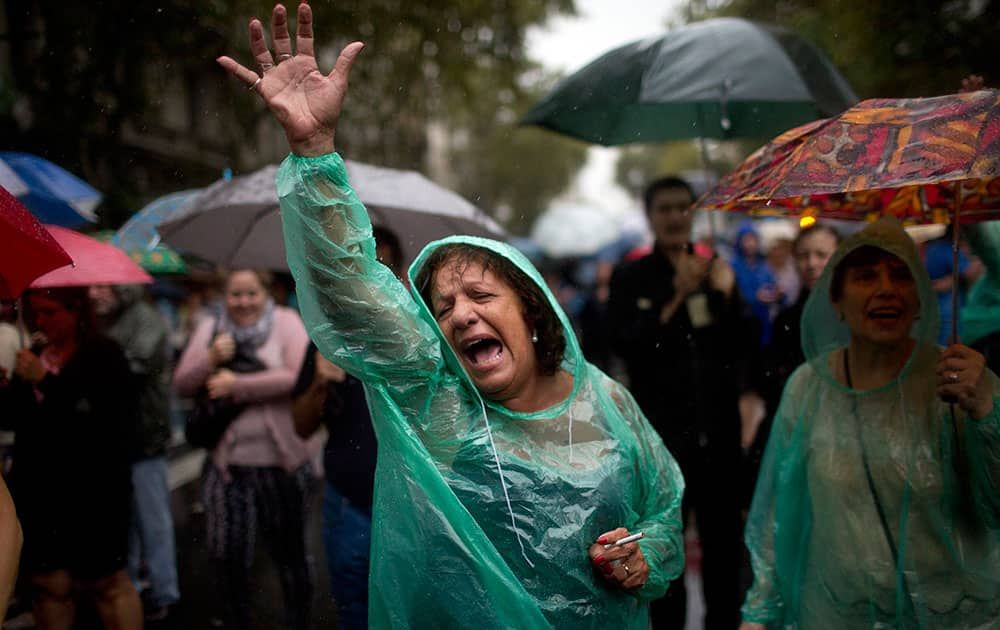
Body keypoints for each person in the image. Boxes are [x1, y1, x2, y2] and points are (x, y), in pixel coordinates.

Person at [217, 4, 685, 627]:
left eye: (483, 297)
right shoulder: (441, 407)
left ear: (533, 311)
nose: (462, 315)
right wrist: (314, 151)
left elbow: (665, 512)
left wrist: (641, 557)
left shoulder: (607, 401)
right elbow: (350, 292)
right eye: (443, 307)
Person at [741, 216, 1000, 629]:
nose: (885, 289)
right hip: (837, 616)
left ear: (918, 297)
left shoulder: (958, 383)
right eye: (865, 276)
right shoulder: (807, 387)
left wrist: (988, 412)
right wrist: (758, 613)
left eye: (901, 275)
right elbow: (780, 515)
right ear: (837, 301)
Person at [606, 175, 757, 629]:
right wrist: (676, 297)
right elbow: (626, 345)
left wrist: (729, 296)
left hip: (720, 439)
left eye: (683, 208)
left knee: (724, 556)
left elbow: (745, 348)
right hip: (662, 443)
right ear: (650, 217)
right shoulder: (631, 276)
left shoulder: (718, 271)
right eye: (665, 208)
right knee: (664, 554)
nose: (675, 217)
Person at [172, 268, 311, 630]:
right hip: (227, 465)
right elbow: (182, 383)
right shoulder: (210, 325)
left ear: (266, 294)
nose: (243, 302)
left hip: (279, 463)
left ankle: (297, 619)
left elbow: (296, 376)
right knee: (226, 554)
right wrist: (210, 360)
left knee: (288, 551)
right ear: (224, 296)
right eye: (235, 294)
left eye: (252, 293)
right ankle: (237, 619)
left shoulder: (286, 321)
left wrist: (238, 384)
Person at [0, 287, 142, 629]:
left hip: (94, 491)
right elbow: (18, 421)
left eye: (51, 312)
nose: (42, 321)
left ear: (76, 311)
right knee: (49, 587)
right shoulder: (33, 353)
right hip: (41, 493)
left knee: (107, 585)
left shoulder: (104, 355)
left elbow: (103, 422)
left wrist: (46, 381)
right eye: (37, 313)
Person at [290, 226, 402, 630]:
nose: (373, 276)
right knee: (355, 608)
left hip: (408, 508)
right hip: (348, 506)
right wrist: (320, 381)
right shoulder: (326, 339)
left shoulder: (416, 340)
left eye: (382, 265)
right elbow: (301, 427)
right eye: (362, 265)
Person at [89, 284, 180, 621]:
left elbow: (133, 366)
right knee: (124, 521)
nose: (96, 293)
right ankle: (134, 587)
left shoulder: (146, 320)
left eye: (104, 287)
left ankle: (165, 592)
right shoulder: (106, 321)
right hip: (117, 440)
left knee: (153, 519)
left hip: (145, 439)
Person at [744, 223, 841, 503]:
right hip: (793, 439)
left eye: (822, 255)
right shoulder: (787, 320)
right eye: (803, 255)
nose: (811, 264)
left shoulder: (855, 320)